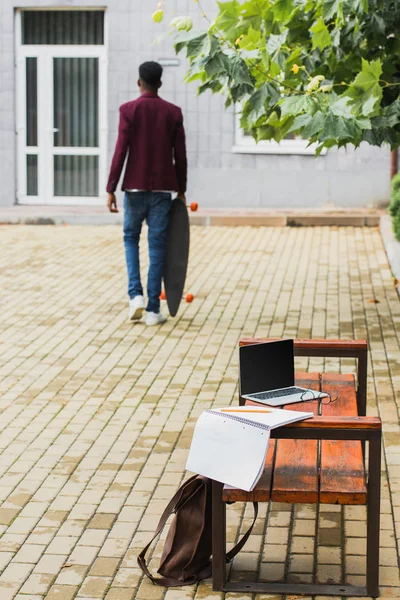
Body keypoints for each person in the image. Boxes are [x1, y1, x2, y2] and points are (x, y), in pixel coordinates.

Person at [106, 61, 187, 326]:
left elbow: (121, 151)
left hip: (134, 188)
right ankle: (153, 310)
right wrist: (182, 189)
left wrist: (111, 188)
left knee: (131, 239)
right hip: (164, 190)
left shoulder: (128, 110)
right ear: (160, 83)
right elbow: (180, 156)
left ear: (139, 82)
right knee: (157, 247)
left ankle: (135, 296)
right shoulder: (173, 113)